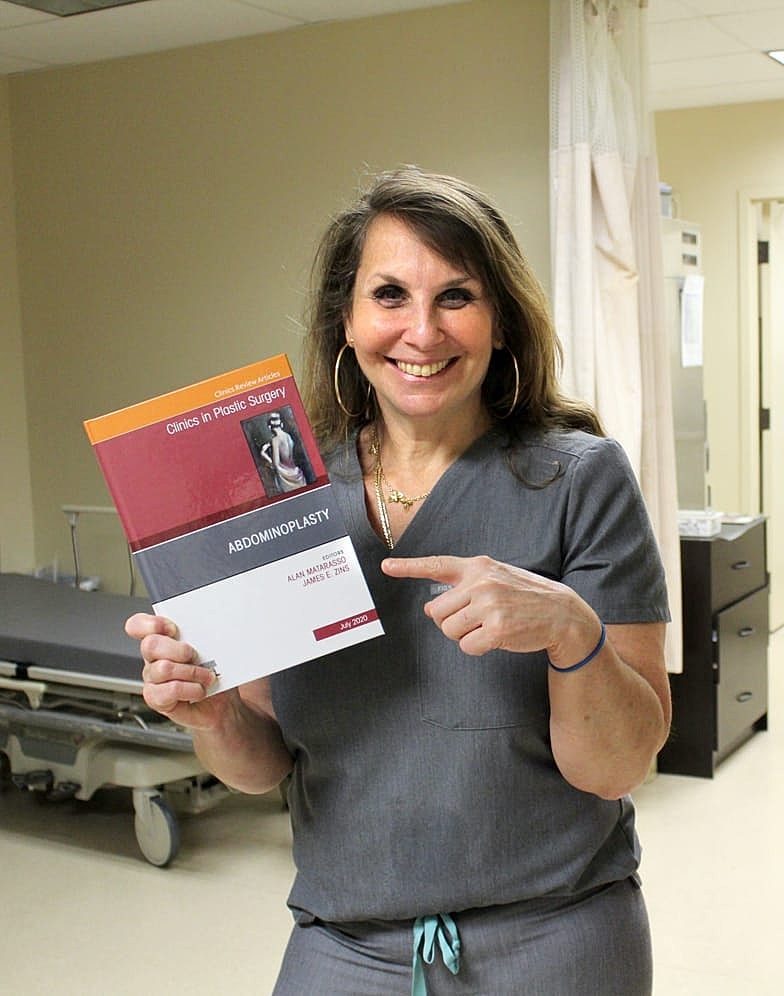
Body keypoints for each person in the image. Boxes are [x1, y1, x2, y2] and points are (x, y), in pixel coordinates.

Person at [126, 166, 671, 995]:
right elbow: (262, 764)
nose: (422, 331)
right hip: (344, 940)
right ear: (346, 320)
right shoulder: (284, 499)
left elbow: (618, 768)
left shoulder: (579, 481)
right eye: (389, 295)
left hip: (554, 935)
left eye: (456, 296)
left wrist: (572, 631)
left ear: (499, 320)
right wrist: (212, 713)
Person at [260, 411, 307, 493]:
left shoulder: (275, 440)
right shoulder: (288, 436)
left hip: (286, 476)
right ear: (281, 425)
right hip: (297, 472)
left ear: (269, 427)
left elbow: (276, 464)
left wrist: (263, 454)